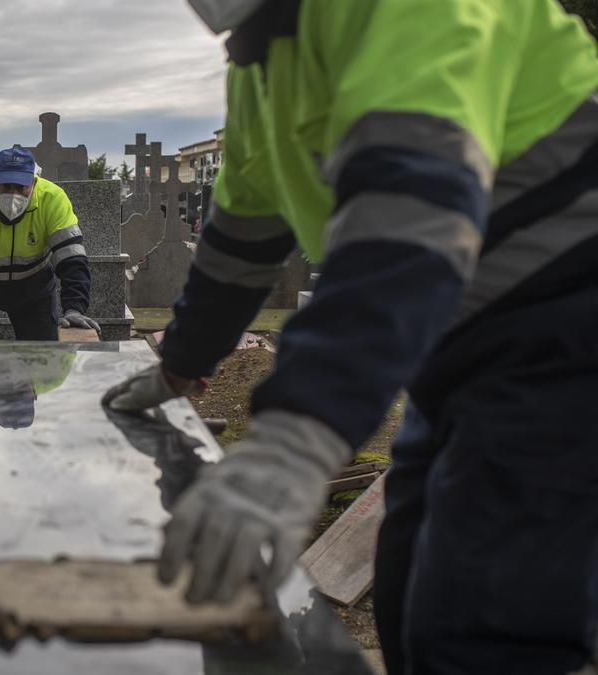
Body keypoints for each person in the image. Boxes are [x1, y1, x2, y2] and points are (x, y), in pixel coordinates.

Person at [104, 1, 598, 672]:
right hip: (456, 345)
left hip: (565, 330)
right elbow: (241, 242)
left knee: (489, 619)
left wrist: (297, 435)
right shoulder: (261, 65)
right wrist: (181, 363)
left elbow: (409, 214)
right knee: (405, 590)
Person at [0, 147, 100, 340]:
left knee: (41, 360)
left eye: (21, 187)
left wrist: (75, 309)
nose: (13, 194)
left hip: (34, 288)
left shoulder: (53, 199)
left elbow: (72, 258)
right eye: (6, 186)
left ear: (34, 182)